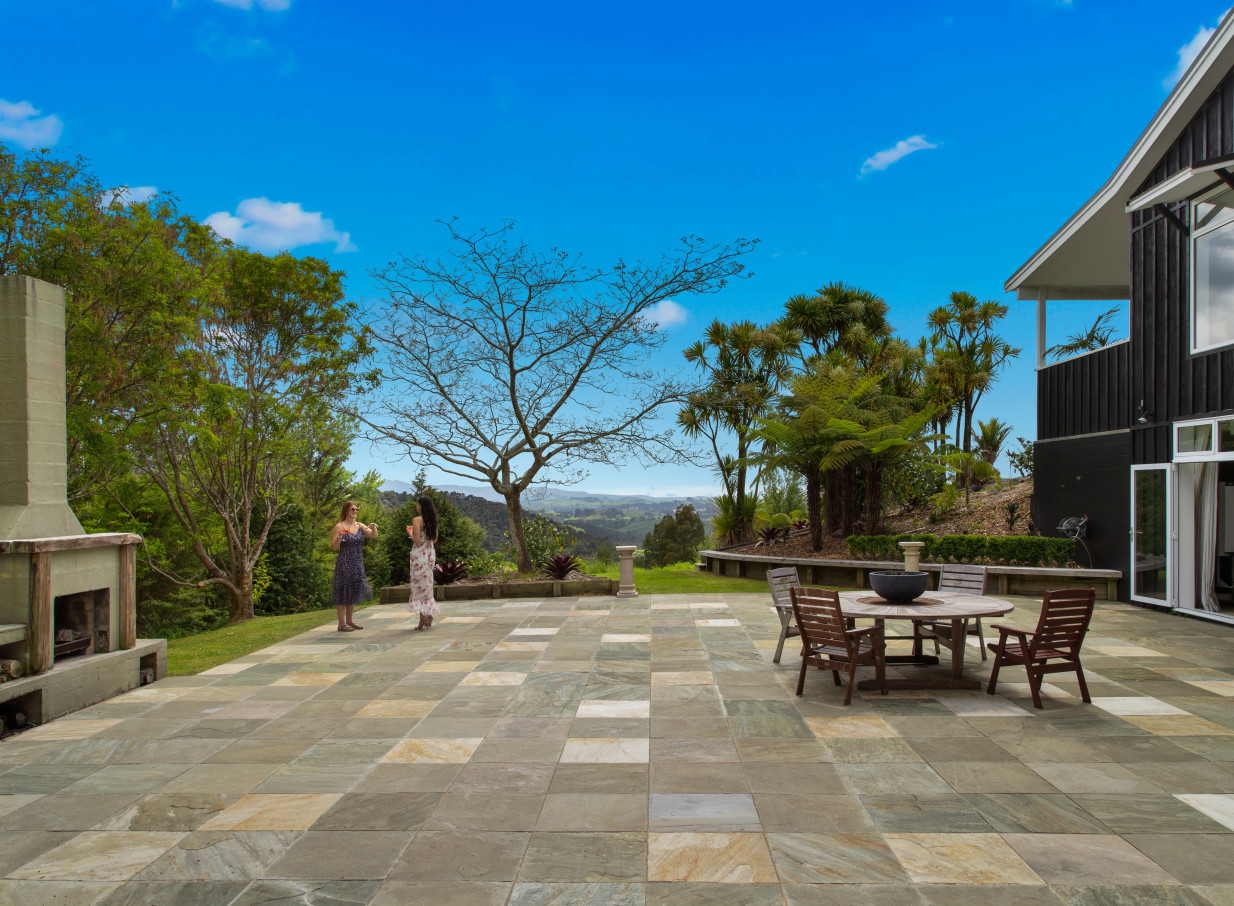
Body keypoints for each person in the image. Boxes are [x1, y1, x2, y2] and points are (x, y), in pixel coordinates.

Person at [331, 501, 378, 632]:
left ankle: (350, 620)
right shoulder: (339, 526)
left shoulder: (360, 525)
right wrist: (340, 538)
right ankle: (341, 623)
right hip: (344, 563)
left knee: (353, 590)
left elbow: (373, 535)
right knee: (342, 591)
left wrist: (373, 527)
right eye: (353, 509)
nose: (355, 511)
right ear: (346, 510)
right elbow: (334, 547)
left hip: (357, 563)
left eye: (357, 509)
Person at [407, 495, 440, 630]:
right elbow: (434, 540)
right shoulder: (433, 521)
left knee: (418, 587)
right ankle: (428, 614)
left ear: (421, 505)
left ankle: (423, 618)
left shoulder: (417, 520)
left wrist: (409, 532)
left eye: (417, 504)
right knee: (427, 585)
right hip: (429, 555)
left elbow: (416, 540)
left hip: (419, 556)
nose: (416, 506)